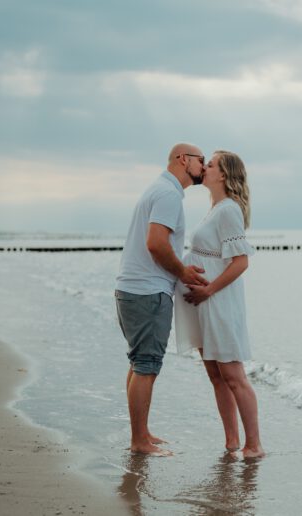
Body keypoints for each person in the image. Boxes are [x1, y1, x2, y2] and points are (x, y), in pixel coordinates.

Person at [115, 143, 208, 455]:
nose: (205, 167)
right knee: (146, 364)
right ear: (183, 160)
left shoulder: (160, 190)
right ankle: (139, 442)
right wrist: (182, 271)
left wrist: (179, 267)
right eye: (201, 161)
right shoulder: (168, 194)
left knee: (140, 362)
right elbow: (156, 243)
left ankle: (141, 433)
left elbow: (157, 243)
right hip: (147, 291)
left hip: (133, 289)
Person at [175, 150, 265, 458]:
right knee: (216, 376)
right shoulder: (215, 208)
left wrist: (209, 290)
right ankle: (231, 443)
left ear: (223, 175)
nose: (204, 168)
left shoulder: (228, 210)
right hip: (203, 301)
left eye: (210, 165)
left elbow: (241, 263)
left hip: (219, 301)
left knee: (233, 376)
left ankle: (254, 445)